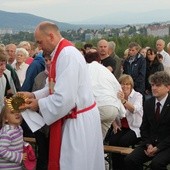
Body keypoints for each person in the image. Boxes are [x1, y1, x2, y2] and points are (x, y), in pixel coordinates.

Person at [19, 21, 105, 170]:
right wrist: (33, 95)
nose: (39, 47)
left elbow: (64, 99)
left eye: (40, 42)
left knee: (74, 164)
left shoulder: (67, 55)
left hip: (78, 121)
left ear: (51, 36)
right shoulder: (61, 53)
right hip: (74, 117)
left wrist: (38, 104)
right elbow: (52, 87)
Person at [125, 71, 170, 170]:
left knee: (156, 164)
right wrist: (149, 144)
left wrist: (157, 148)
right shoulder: (148, 103)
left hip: (167, 145)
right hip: (150, 143)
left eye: (158, 85)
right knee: (130, 159)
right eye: (152, 85)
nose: (153, 88)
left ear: (168, 87)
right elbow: (144, 128)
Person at [84, 50, 125, 140]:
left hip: (99, 106)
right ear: (100, 61)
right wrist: (121, 112)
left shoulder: (86, 68)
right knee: (98, 141)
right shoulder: (105, 71)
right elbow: (118, 88)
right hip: (113, 109)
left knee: (87, 140)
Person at [109, 74, 143, 170]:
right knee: (112, 141)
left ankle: (125, 167)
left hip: (135, 128)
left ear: (131, 85)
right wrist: (114, 124)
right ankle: (116, 167)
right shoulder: (116, 95)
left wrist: (123, 100)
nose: (124, 86)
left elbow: (134, 109)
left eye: (127, 84)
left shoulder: (137, 96)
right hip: (121, 127)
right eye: (122, 84)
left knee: (123, 142)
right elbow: (112, 111)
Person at [0, 99, 27, 169]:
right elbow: (1, 151)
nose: (17, 113)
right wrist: (19, 156)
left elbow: (18, 142)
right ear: (6, 118)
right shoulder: (7, 133)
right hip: (7, 167)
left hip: (16, 166)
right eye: (12, 112)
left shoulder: (19, 128)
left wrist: (25, 145)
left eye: (18, 111)